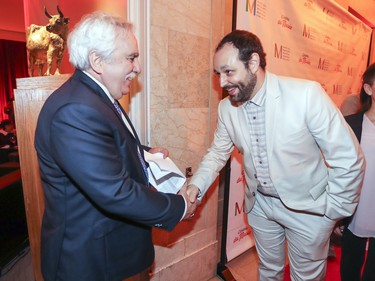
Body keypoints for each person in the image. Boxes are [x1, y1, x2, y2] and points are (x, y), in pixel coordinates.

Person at [186, 30, 365, 281]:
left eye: (228, 72)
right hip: (260, 206)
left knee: (306, 278)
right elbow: (218, 153)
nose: (222, 83)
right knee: (268, 271)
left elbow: (348, 158)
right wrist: (195, 186)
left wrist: (332, 213)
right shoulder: (227, 108)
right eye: (218, 74)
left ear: (254, 63)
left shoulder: (306, 95)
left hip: (309, 210)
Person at [34, 12, 196, 281]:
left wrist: (143, 152)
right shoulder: (74, 110)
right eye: (130, 58)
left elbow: (102, 147)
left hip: (113, 253)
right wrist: (178, 207)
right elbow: (115, 192)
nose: (138, 67)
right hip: (94, 262)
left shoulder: (91, 96)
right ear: (97, 61)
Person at [340, 63, 375, 281]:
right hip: (356, 207)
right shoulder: (350, 125)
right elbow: (338, 170)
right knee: (351, 266)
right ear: (369, 89)